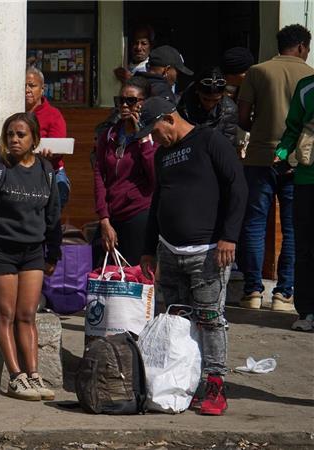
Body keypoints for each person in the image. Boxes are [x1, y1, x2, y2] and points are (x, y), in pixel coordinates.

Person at [138, 97, 248, 416]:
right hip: (169, 250)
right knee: (177, 319)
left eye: (154, 130)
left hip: (209, 251)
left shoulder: (210, 140)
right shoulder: (163, 155)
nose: (153, 138)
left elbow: (237, 187)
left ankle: (215, 384)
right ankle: (184, 380)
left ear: (169, 119)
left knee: (210, 319)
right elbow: (157, 201)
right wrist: (148, 248)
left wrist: (229, 236)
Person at [0, 112, 62, 402]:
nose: (14, 140)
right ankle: (15, 377)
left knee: (27, 315)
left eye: (21, 134)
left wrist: (53, 253)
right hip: (1, 252)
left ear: (34, 138)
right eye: (10, 134)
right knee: (6, 315)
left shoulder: (46, 171)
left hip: (33, 252)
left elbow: (53, 216)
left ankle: (33, 374)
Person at [237, 24, 314, 311]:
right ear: (302, 47)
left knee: (255, 223)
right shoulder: (310, 76)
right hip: (298, 161)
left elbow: (242, 117)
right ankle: (283, 294)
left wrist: (259, 128)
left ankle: (253, 292)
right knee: (293, 229)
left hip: (259, 157)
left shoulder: (257, 71)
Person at [93, 77, 159, 266]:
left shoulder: (154, 135)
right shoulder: (109, 134)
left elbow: (155, 177)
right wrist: (104, 218)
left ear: (143, 103)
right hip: (111, 214)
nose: (124, 105)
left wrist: (143, 138)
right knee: (101, 270)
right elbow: (99, 175)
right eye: (120, 100)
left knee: (135, 275)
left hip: (138, 213)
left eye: (130, 101)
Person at [273, 74, 314, 331]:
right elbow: (293, 128)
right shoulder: (306, 87)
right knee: (306, 248)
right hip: (307, 180)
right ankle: (307, 312)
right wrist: (281, 153)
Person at [25, 67, 70, 208]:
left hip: (51, 173)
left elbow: (58, 147)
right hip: (23, 174)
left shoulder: (53, 114)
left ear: (43, 89)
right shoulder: (14, 112)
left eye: (32, 86)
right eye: (23, 86)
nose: (27, 90)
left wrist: (49, 155)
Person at [178, 67, 239, 147]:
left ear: (223, 94)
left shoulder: (229, 110)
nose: (210, 104)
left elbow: (228, 144)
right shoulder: (182, 104)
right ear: (197, 91)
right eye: (205, 99)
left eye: (216, 100)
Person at [221, 47, 255, 159]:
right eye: (246, 73)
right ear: (232, 74)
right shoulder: (213, 93)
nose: (249, 76)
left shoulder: (248, 90)